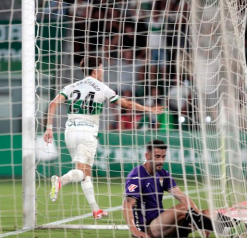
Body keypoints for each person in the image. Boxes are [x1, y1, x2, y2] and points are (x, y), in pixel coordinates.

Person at [44, 56, 165, 219]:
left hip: (70, 132)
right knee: (82, 171)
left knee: (85, 172)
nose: (103, 71)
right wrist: (149, 109)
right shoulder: (102, 88)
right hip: (87, 132)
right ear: (95, 71)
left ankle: (95, 209)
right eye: (101, 68)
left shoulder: (72, 86)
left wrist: (49, 128)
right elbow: (127, 105)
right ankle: (60, 181)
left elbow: (53, 103)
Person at [122, 140, 246, 238]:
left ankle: (241, 226)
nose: (161, 161)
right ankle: (230, 230)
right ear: (147, 156)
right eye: (157, 156)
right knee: (183, 208)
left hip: (165, 226)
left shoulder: (163, 174)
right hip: (149, 229)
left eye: (163, 157)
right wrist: (134, 230)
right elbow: (127, 204)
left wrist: (199, 218)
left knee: (208, 212)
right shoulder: (136, 175)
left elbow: (182, 197)